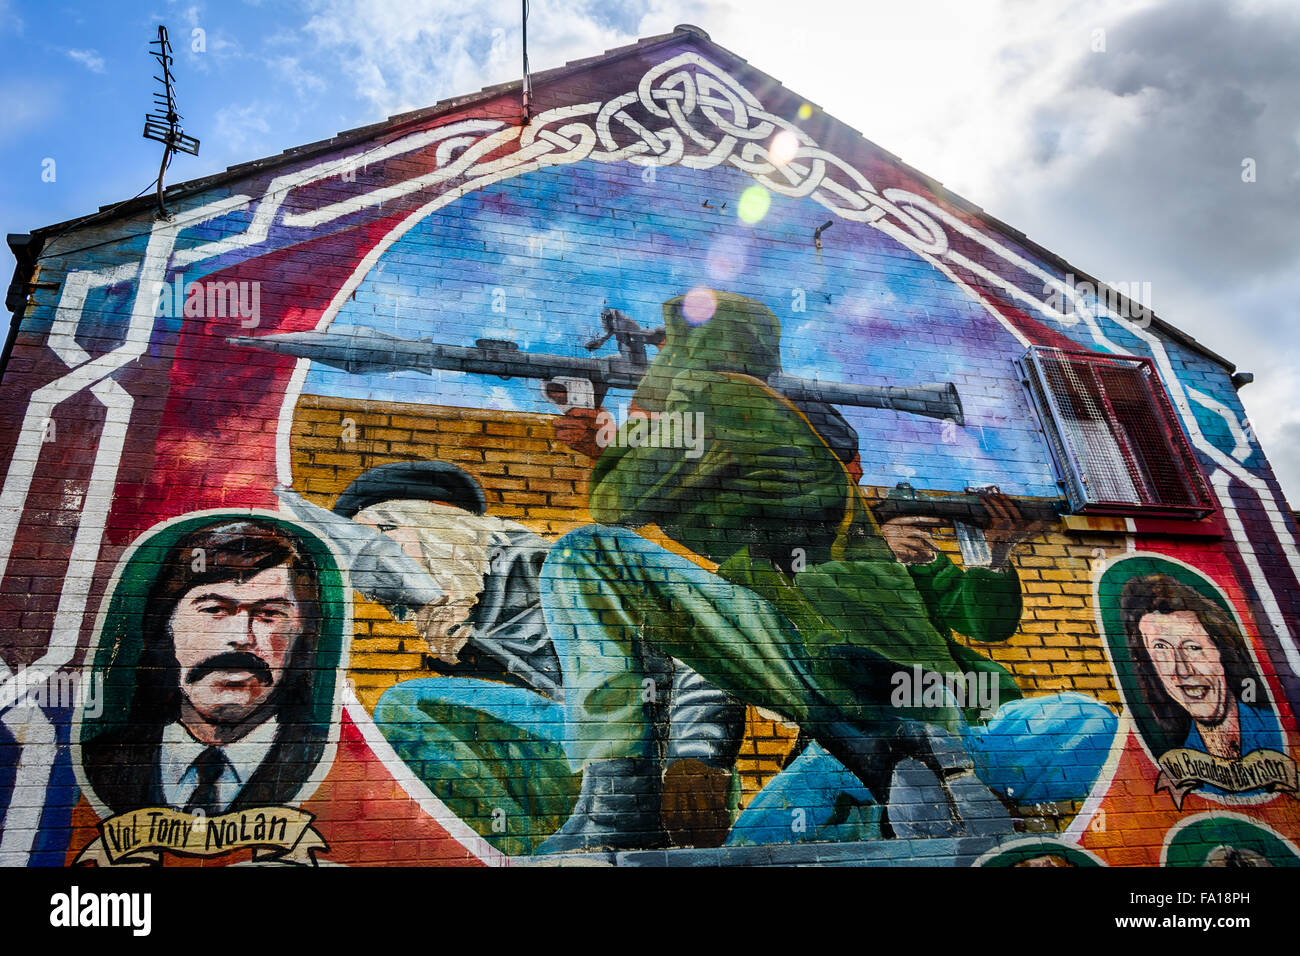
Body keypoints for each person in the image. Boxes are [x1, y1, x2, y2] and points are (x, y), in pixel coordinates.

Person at [540, 290, 1114, 852]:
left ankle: (619, 806)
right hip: (854, 712)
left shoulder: (720, 401)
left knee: (587, 555)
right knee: (759, 842)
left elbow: (619, 506)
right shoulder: (760, 462)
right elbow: (686, 512)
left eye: (672, 346)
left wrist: (624, 434)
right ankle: (906, 759)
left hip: (863, 676)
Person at [81, 519, 335, 816]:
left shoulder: (327, 761)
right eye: (214, 610)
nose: (241, 638)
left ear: (301, 635)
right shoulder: (102, 763)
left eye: (268, 614)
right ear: (167, 625)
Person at [1122, 574, 1284, 781]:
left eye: (1193, 647)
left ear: (1221, 650)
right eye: (1161, 649)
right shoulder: (1181, 753)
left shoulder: (1274, 728)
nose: (1182, 670)